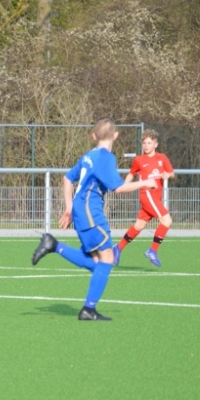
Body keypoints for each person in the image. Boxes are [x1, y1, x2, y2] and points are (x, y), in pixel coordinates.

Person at [30, 118, 156, 320]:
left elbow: (67, 178)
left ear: (94, 136)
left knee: (98, 262)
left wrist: (69, 208)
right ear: (115, 136)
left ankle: (53, 245)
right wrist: (145, 183)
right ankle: (88, 309)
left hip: (81, 210)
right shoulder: (106, 157)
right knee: (108, 258)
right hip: (91, 212)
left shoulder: (89, 155)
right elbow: (118, 188)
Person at [114, 130, 175, 267]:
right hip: (147, 194)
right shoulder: (139, 160)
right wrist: (124, 186)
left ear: (155, 144)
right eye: (144, 143)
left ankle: (117, 248)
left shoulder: (162, 158)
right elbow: (131, 174)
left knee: (139, 225)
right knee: (167, 220)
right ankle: (152, 250)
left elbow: (171, 173)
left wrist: (167, 175)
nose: (146, 145)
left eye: (149, 143)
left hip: (156, 197)